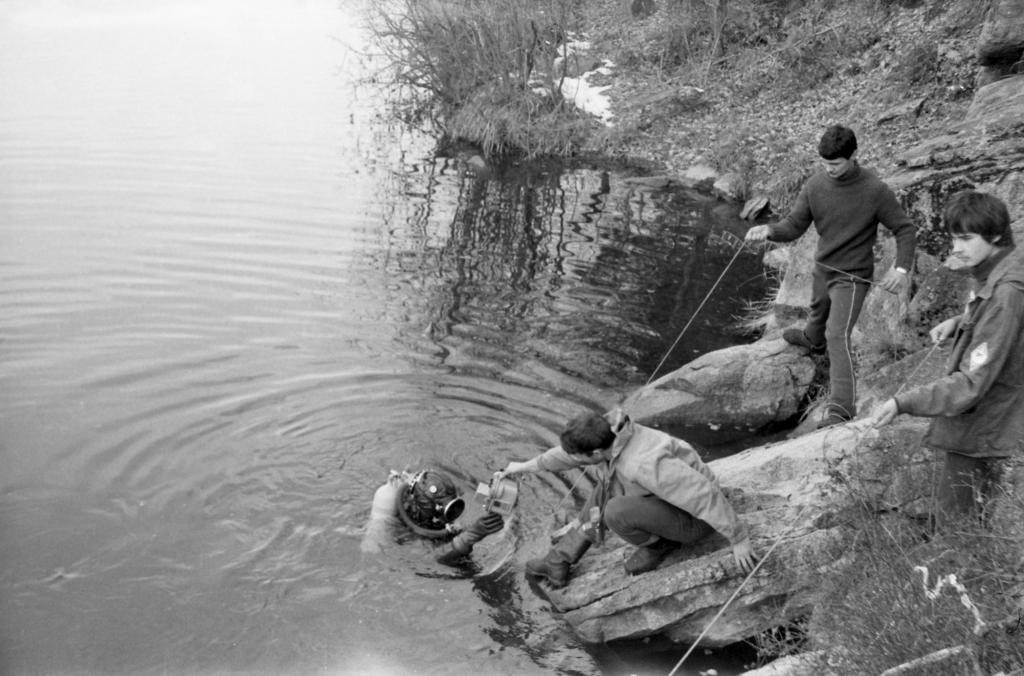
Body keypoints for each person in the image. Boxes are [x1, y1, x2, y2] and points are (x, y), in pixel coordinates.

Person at [745, 124, 917, 428]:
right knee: (817, 311)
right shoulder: (815, 185)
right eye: (824, 163)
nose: (829, 169)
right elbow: (794, 226)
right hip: (824, 268)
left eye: (835, 164)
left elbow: (905, 229)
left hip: (853, 278)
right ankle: (812, 339)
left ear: (852, 156)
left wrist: (901, 268)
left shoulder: (875, 190)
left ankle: (841, 408)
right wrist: (769, 230)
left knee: (838, 334)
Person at [869, 190, 1024, 525]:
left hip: (987, 430)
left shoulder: (1006, 293)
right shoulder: (1001, 270)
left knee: (956, 530)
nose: (956, 248)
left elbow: (971, 383)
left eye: (966, 238)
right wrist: (961, 323)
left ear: (995, 235)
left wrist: (902, 402)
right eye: (954, 238)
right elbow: (998, 327)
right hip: (987, 423)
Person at [493, 408, 757, 589]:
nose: (573, 461)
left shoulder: (645, 464)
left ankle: (658, 545)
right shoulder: (612, 434)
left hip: (692, 520)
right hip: (660, 500)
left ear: (596, 452)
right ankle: (558, 562)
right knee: (605, 487)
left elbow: (702, 496)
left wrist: (739, 538)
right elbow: (566, 455)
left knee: (615, 511)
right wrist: (523, 467)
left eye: (580, 459)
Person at [361, 468, 505, 566]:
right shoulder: (397, 515)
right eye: (437, 515)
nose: (443, 520)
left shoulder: (448, 501)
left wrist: (498, 496)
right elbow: (425, 562)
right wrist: (470, 536)